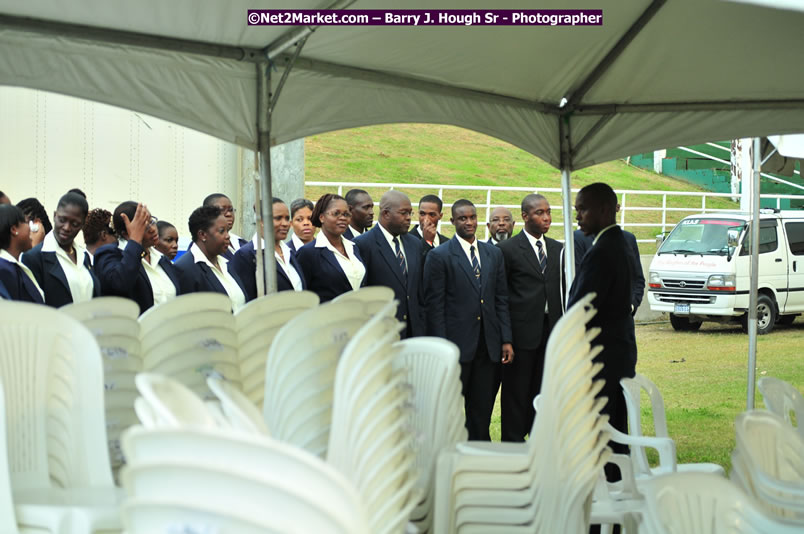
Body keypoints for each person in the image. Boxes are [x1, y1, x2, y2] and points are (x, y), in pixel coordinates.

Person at [424, 199, 513, 441]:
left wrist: (506, 338)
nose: (469, 222)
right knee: (450, 409)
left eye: (472, 217)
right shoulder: (439, 256)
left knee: (482, 408)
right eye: (462, 218)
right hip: (456, 346)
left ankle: (480, 453)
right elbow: (435, 306)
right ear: (452, 221)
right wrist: (442, 348)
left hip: (488, 344)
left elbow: (500, 298)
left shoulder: (493, 253)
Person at [567, 182, 635, 481]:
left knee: (605, 437)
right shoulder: (617, 242)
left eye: (583, 208)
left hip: (601, 359)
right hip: (617, 354)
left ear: (605, 210)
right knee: (615, 433)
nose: (577, 215)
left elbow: (579, 309)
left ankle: (607, 510)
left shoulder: (602, 251)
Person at [497, 194, 563, 442]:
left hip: (551, 332)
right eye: (539, 213)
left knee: (544, 390)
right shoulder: (507, 250)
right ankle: (512, 444)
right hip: (520, 336)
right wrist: (506, 338)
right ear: (525, 216)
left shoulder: (558, 249)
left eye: (548, 212)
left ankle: (540, 442)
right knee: (516, 393)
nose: (546, 218)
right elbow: (501, 297)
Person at [354, 190, 425, 338]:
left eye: (410, 213)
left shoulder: (415, 244)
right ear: (386, 214)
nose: (408, 218)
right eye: (403, 213)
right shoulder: (363, 245)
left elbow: (418, 290)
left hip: (413, 332)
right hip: (381, 333)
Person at [95, 201, 181, 314]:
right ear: (126, 233)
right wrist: (135, 241)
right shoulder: (109, 254)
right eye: (144, 226)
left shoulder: (161, 259)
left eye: (151, 221)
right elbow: (120, 284)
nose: (153, 229)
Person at [21, 192, 100, 307]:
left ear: (83, 224)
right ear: (54, 216)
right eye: (62, 220)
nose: (67, 227)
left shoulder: (84, 256)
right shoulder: (34, 258)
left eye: (75, 224)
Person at [229, 198, 306, 301]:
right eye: (278, 218)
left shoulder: (289, 252)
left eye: (287, 218)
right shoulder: (245, 256)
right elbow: (248, 301)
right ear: (261, 221)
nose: (285, 223)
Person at [175, 205, 247, 311]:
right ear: (203, 235)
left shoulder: (226, 264)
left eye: (228, 231)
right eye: (222, 231)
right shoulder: (185, 269)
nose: (228, 236)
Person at [296, 193, 366, 302]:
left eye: (346, 214)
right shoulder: (308, 253)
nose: (342, 218)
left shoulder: (353, 247)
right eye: (336, 213)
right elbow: (302, 296)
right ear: (322, 217)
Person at [0, 204, 44, 303]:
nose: (29, 227)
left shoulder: (14, 266)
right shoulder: (3, 269)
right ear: (14, 230)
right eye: (25, 222)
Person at [203, 193, 246, 258]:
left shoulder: (241, 243)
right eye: (222, 210)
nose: (229, 214)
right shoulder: (203, 246)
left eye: (231, 210)